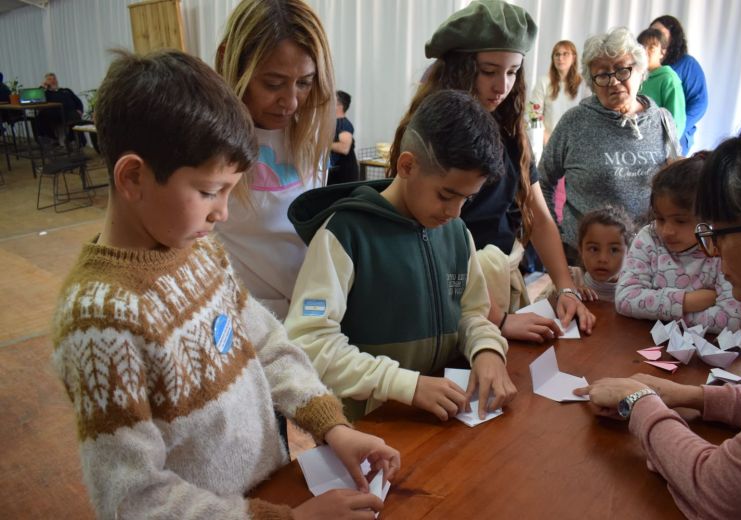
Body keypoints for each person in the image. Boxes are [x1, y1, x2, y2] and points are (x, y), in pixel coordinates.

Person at [51, 49, 399, 520]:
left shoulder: (200, 251)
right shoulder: (100, 321)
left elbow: (267, 342)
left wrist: (331, 425)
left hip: (265, 490)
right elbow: (133, 498)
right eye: (209, 192)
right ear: (133, 177)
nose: (223, 213)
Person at [574, 110, 741, 519]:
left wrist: (640, 401)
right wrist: (692, 396)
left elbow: (723, 493)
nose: (713, 251)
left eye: (717, 232)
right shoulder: (651, 241)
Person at [285, 89, 517, 422]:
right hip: (370, 428)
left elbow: (470, 314)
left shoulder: (456, 233)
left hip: (444, 417)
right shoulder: (345, 234)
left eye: (467, 199)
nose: (455, 211)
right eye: (446, 195)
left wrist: (487, 349)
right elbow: (309, 341)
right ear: (407, 165)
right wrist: (404, 385)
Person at [391, 0, 595, 345]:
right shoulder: (428, 131)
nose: (502, 85)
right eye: (488, 71)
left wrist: (566, 288)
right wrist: (497, 321)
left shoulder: (511, 129)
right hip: (448, 294)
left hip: (498, 285)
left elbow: (540, 216)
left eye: (513, 71)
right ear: (459, 67)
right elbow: (422, 246)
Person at [216, 0, 336, 319]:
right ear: (230, 61)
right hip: (242, 321)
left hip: (306, 317)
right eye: (272, 83)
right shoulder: (204, 145)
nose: (291, 102)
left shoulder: (311, 137)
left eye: (305, 83)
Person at [540, 27, 680, 262]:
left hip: (647, 257)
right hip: (585, 258)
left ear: (640, 71)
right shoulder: (575, 122)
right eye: (603, 75)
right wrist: (556, 237)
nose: (614, 82)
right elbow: (543, 180)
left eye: (622, 70)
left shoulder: (662, 120)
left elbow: (674, 187)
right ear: (592, 82)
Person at [615, 153, 741, 333]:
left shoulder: (720, 248)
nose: (667, 231)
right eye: (660, 219)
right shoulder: (649, 237)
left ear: (709, 217)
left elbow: (732, 320)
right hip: (643, 343)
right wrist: (688, 301)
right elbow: (624, 299)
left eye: (680, 221)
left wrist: (654, 310)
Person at [529, 40, 591, 225]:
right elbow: (533, 113)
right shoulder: (544, 82)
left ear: (573, 57)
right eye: (557, 54)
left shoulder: (584, 84)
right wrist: (546, 137)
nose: (560, 58)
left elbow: (588, 115)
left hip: (577, 146)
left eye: (565, 54)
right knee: (547, 187)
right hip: (547, 143)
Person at [650, 15, 708, 155]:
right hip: (647, 134)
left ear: (673, 38)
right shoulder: (644, 65)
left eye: (660, 33)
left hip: (676, 137)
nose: (654, 37)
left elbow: (699, 103)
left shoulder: (687, 64)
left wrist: (675, 129)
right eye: (652, 32)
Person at [572, 206, 634, 302]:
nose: (602, 259)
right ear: (581, 250)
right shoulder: (570, 279)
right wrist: (571, 294)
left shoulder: (635, 289)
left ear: (629, 253)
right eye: (594, 249)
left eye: (614, 250)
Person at [637, 28, 686, 136]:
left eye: (651, 47)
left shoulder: (668, 79)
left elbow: (676, 123)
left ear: (662, 52)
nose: (645, 51)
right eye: (642, 47)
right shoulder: (634, 76)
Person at [35, 72, 86, 145]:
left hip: (70, 113)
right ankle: (52, 138)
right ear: (46, 82)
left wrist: (80, 110)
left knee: (75, 115)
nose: (53, 81)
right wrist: (43, 87)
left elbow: (78, 101)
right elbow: (37, 99)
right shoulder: (46, 93)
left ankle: (77, 141)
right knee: (40, 116)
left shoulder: (66, 90)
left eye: (54, 79)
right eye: (49, 79)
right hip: (55, 114)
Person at [328, 90, 359, 185]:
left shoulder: (343, 124)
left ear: (339, 106)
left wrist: (322, 145)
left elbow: (344, 148)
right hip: (336, 173)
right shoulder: (333, 124)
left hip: (344, 176)